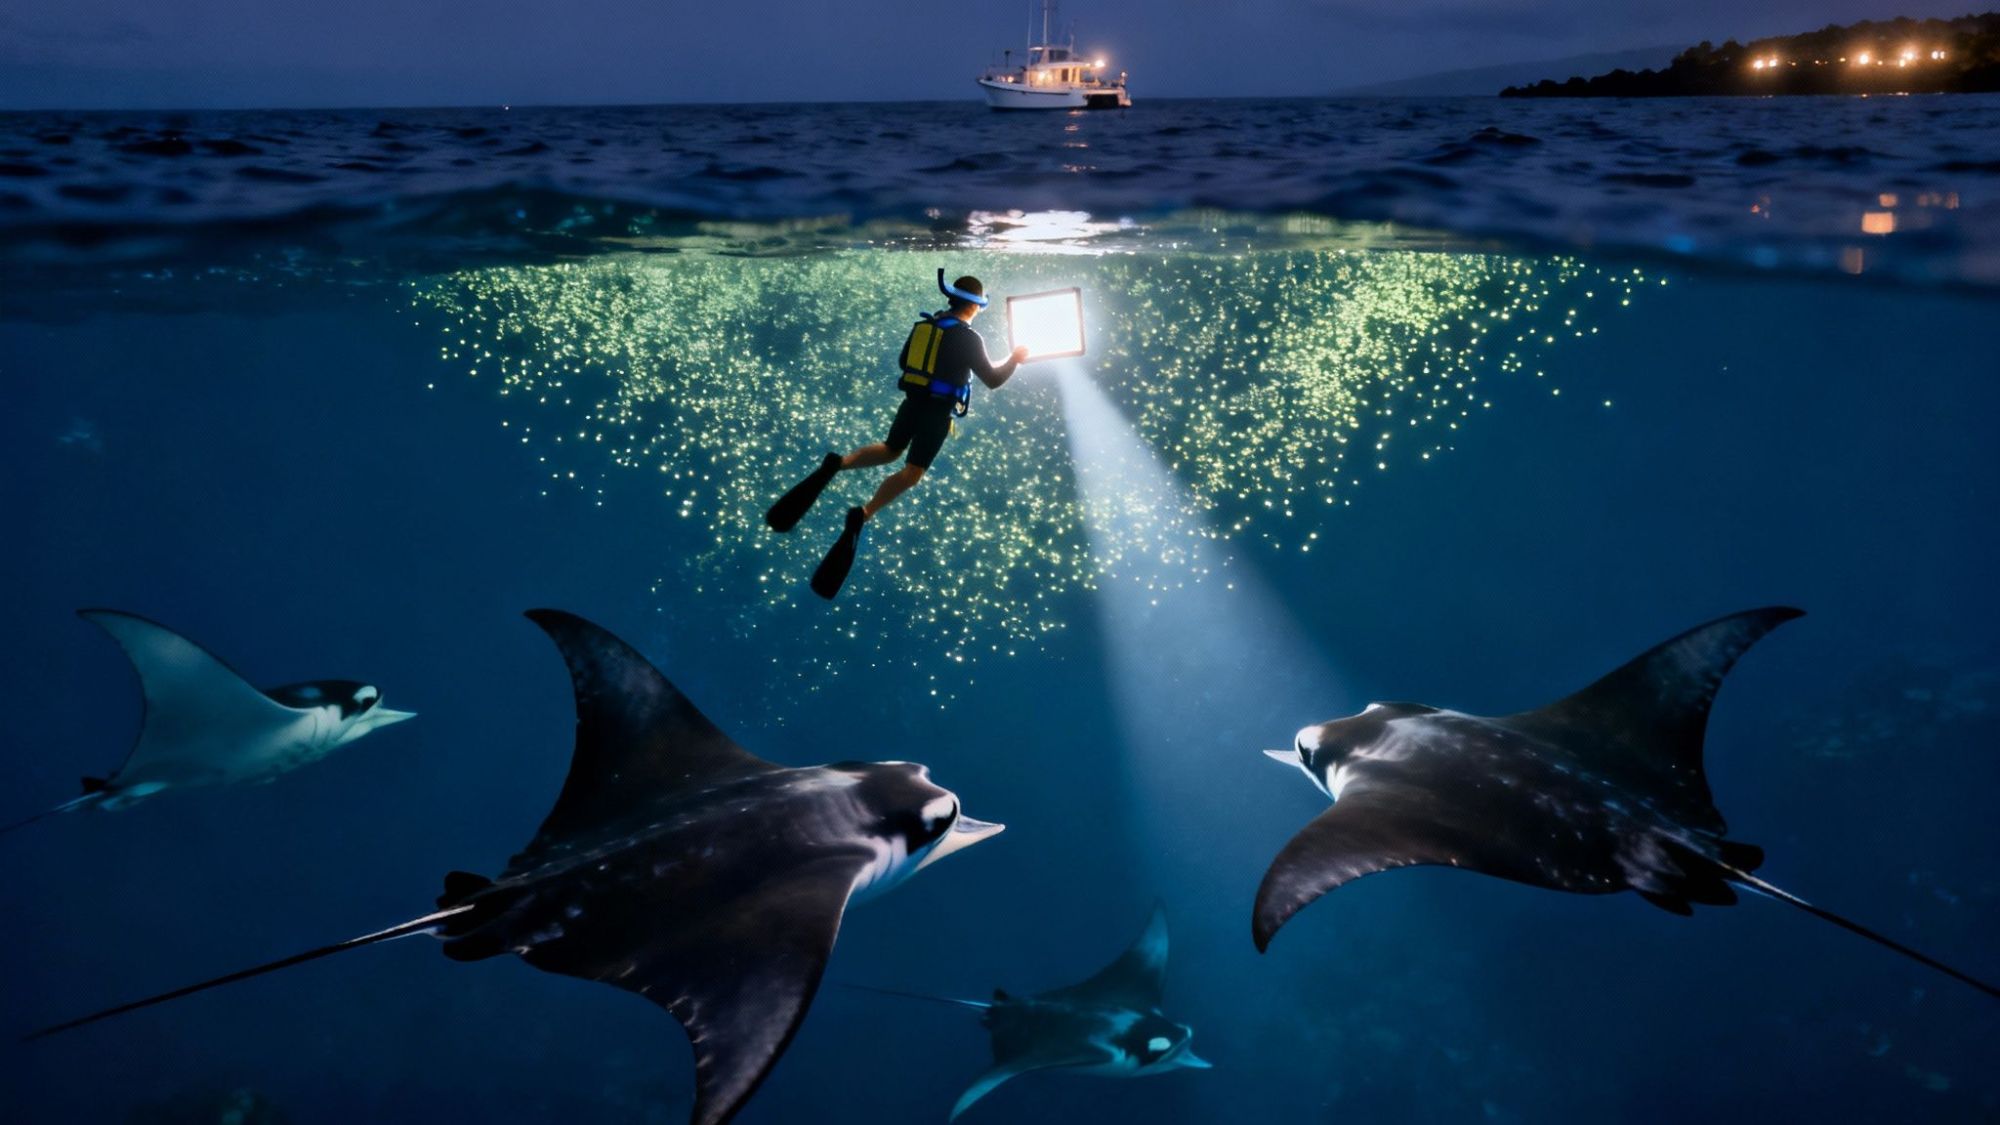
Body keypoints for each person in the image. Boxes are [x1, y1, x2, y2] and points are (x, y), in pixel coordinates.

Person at [765, 270, 1032, 599]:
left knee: (891, 448)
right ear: (975, 306)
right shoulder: (968, 338)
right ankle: (864, 513)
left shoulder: (924, 327)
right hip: (936, 412)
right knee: (912, 472)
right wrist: (1015, 359)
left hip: (911, 403)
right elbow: (992, 378)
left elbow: (904, 360)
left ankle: (839, 463)